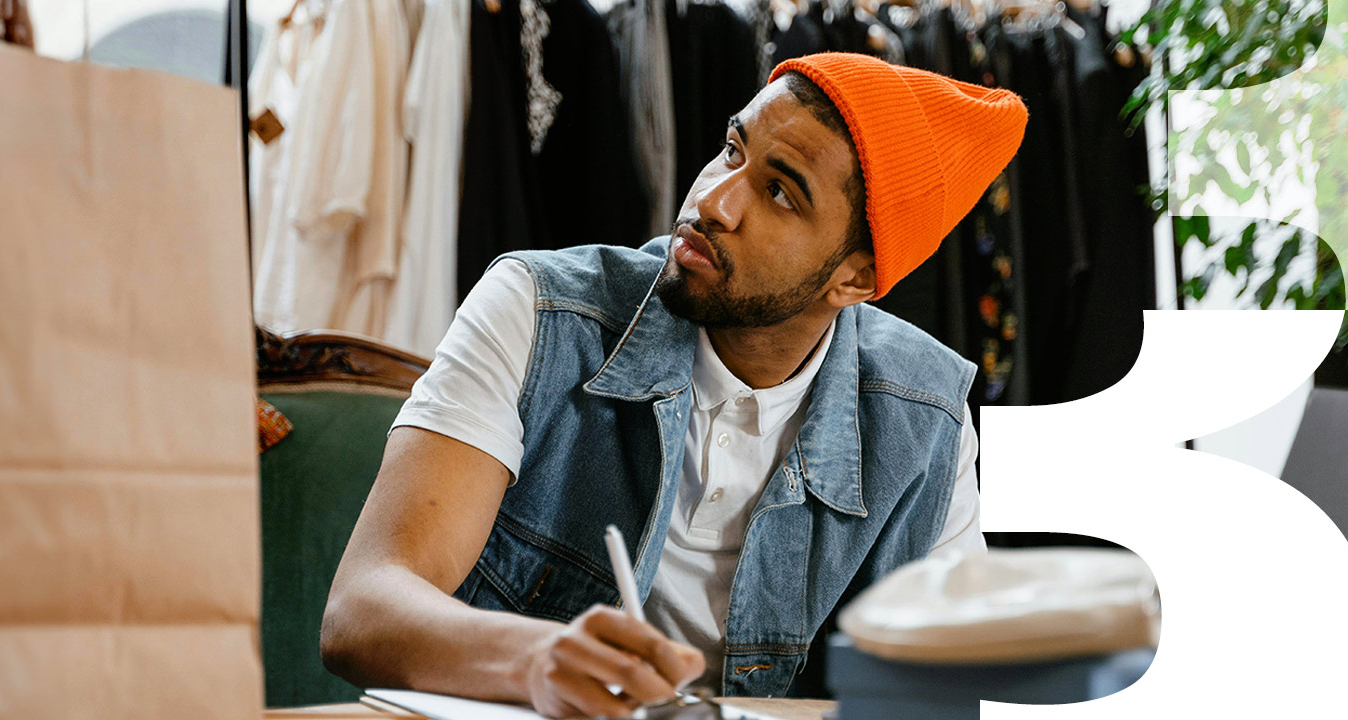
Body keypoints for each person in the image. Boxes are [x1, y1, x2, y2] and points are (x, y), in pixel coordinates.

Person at [321, 52, 1028, 718]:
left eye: (780, 191)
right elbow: (362, 609)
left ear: (856, 279)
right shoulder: (536, 311)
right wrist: (534, 659)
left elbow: (950, 689)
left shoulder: (924, 415)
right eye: (732, 150)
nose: (715, 201)